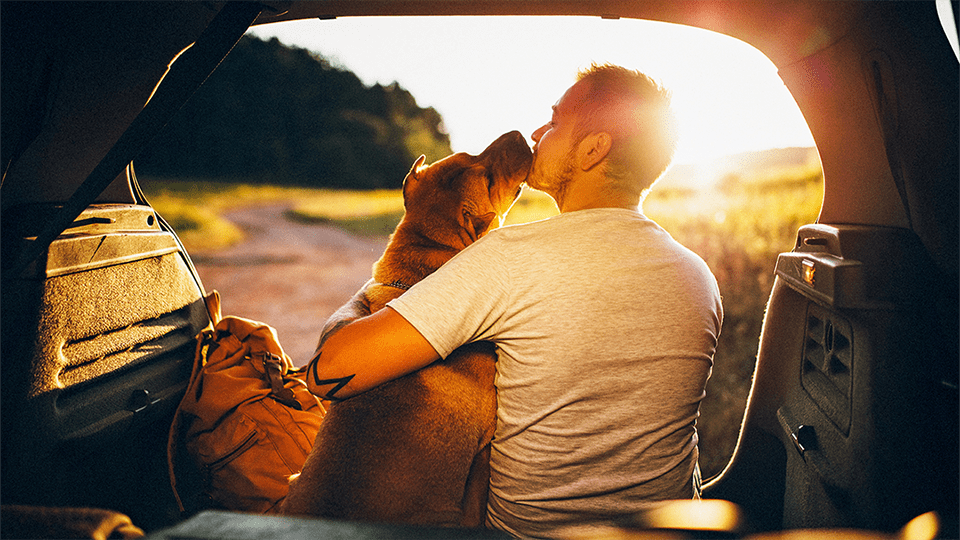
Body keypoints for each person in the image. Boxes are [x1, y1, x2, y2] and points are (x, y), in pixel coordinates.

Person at [308, 63, 723, 539]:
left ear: (592, 148)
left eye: (554, 122)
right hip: (669, 532)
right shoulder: (698, 275)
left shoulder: (509, 258)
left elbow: (327, 373)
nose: (537, 132)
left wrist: (369, 299)